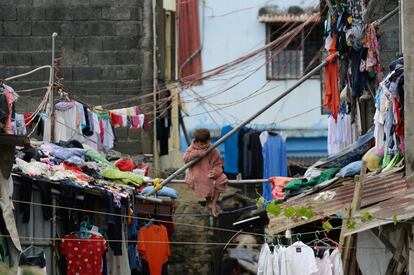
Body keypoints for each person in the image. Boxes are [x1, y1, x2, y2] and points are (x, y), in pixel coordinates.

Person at [183, 128, 228, 217]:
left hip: (210, 172)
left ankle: (213, 203)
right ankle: (209, 201)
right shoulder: (191, 148)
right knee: (204, 179)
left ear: (209, 140)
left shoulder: (214, 151)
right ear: (196, 141)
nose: (204, 146)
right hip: (196, 172)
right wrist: (196, 153)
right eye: (201, 144)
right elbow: (185, 159)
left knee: (222, 179)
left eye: (205, 143)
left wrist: (215, 172)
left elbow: (218, 165)